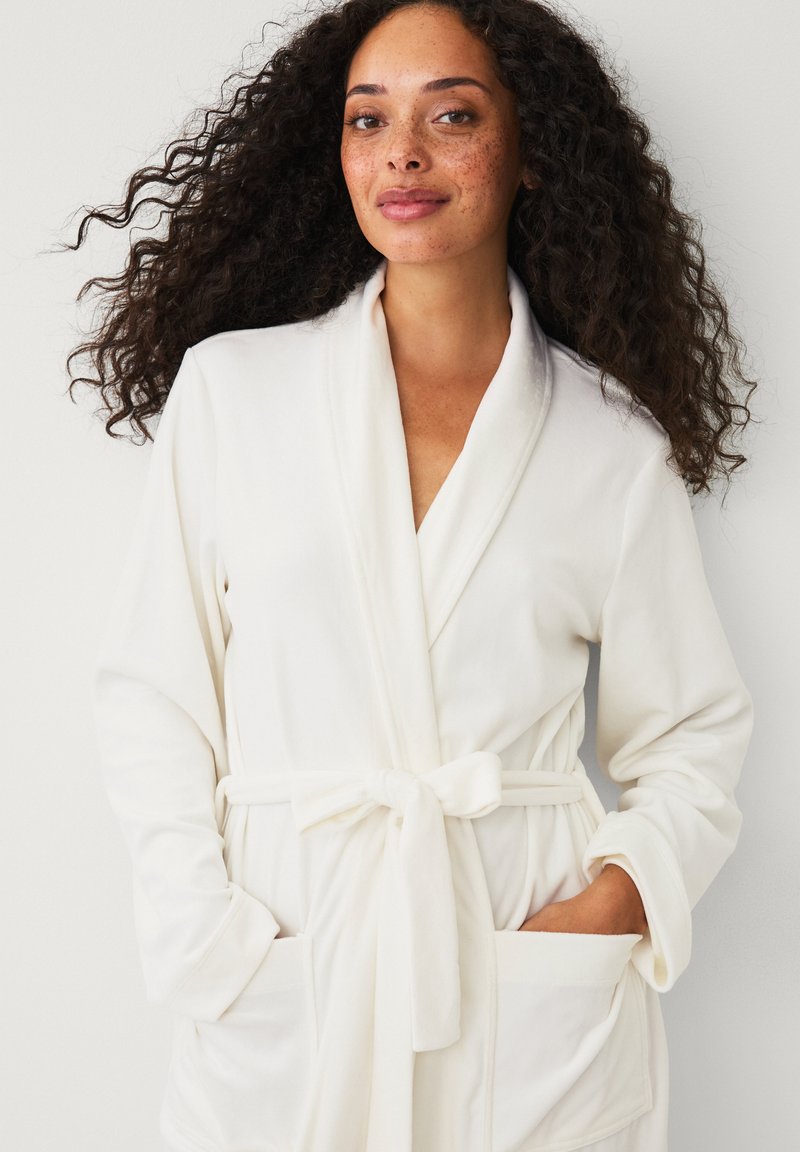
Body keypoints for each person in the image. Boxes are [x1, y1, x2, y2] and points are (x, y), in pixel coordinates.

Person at [67, 1, 755, 1149]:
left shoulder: (608, 444)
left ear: (531, 151)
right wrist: (209, 937)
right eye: (367, 119)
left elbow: (692, 732)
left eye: (452, 116)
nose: (401, 153)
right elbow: (153, 692)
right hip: (288, 955)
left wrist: (612, 903)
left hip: (519, 973)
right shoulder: (234, 395)